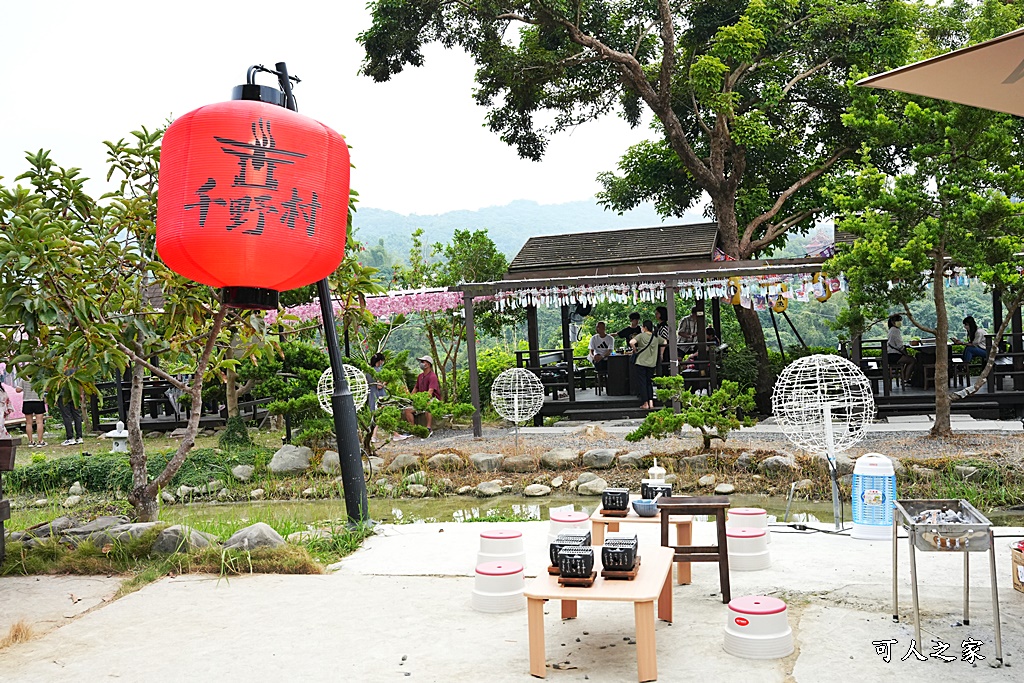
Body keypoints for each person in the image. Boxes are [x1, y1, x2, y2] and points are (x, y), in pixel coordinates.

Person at [629, 319, 666, 410]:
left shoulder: (641, 336)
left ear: (645, 327)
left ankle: (645, 403)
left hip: (641, 362)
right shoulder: (656, 337)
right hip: (652, 363)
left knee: (642, 383)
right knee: (649, 382)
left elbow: (631, 342)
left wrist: (635, 350)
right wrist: (661, 353)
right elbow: (665, 342)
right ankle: (651, 402)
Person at [403, 355, 441, 437]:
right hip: (421, 399)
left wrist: (423, 401)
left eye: (423, 362)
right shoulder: (420, 376)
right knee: (407, 410)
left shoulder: (432, 376)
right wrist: (410, 398)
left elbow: (430, 392)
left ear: (428, 364)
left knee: (429, 406)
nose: (421, 363)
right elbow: (416, 388)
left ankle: (428, 428)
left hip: (433, 399)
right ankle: (413, 429)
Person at [15, 372, 46, 447]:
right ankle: (40, 441)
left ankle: (31, 441)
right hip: (38, 401)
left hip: (27, 402)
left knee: (29, 423)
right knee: (39, 422)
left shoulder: (24, 379)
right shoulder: (40, 379)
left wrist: (25, 388)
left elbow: (18, 390)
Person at [886, 314, 915, 384]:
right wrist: (906, 353)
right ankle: (906, 379)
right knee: (912, 360)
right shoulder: (895, 330)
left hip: (889, 355)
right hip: (894, 355)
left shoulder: (891, 330)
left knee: (908, 359)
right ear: (893, 322)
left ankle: (904, 378)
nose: (899, 322)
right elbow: (900, 346)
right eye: (898, 320)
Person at [653, 306, 670, 375]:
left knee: (663, 368)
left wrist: (661, 353)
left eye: (657, 313)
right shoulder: (659, 326)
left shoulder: (663, 327)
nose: (655, 314)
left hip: (664, 350)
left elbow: (664, 340)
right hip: (660, 349)